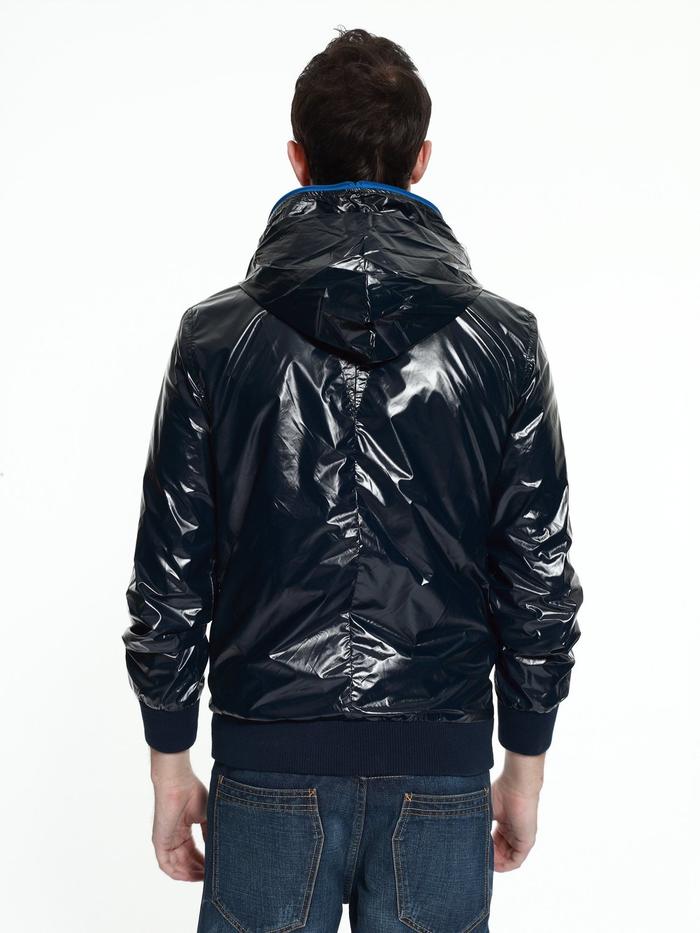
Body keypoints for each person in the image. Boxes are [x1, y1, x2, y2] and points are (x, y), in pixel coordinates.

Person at [122, 26, 583, 933]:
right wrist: (524, 766)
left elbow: (171, 565)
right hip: (442, 766)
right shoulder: (503, 341)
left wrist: (170, 763)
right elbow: (537, 568)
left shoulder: (215, 339)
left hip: (268, 760)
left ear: (297, 160)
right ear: (422, 160)